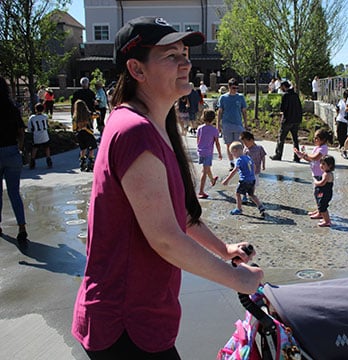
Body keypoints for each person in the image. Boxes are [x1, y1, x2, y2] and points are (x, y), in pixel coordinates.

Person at [72, 17, 263, 359]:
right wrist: (239, 280)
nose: (186, 62)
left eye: (185, 52)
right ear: (137, 69)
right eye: (171, 55)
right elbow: (164, 237)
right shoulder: (135, 131)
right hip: (126, 323)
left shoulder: (155, 125)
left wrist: (224, 249)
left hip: (140, 318)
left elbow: (181, 217)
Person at [0, 76, 28, 244]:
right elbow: (21, 132)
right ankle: (22, 226)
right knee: (14, 192)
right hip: (11, 151)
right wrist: (19, 147)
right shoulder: (12, 108)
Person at [221, 141, 266, 218]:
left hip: (244, 180)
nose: (233, 155)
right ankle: (260, 206)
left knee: (237, 193)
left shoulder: (239, 160)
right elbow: (254, 166)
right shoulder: (248, 157)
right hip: (252, 179)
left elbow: (234, 171)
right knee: (251, 194)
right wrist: (252, 174)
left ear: (235, 151)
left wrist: (227, 180)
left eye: (232, 153)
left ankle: (239, 209)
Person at [294, 128, 331, 218]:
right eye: (314, 138)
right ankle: (319, 210)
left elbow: (315, 158)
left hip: (320, 175)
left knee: (320, 195)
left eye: (316, 138)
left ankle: (321, 212)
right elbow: (310, 159)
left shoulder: (323, 148)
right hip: (315, 174)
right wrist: (302, 156)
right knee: (316, 193)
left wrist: (305, 154)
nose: (314, 140)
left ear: (323, 140)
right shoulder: (316, 148)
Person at [217, 78, 248, 171]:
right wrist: (218, 125)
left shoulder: (240, 97)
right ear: (229, 87)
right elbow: (220, 111)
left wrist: (246, 123)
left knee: (239, 145)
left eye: (237, 88)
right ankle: (232, 163)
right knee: (229, 145)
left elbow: (244, 111)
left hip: (238, 124)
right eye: (233, 88)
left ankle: (240, 162)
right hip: (227, 124)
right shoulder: (223, 98)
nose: (235, 90)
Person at [270, 81, 303, 162]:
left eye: (281, 87)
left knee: (281, 138)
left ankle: (278, 155)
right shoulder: (295, 95)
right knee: (295, 139)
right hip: (296, 120)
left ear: (284, 86)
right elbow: (300, 107)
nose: (281, 89)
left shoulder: (285, 96)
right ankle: (297, 156)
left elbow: (283, 109)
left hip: (287, 120)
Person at [196, 109, 222, 199]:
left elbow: (198, 140)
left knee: (207, 168)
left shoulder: (200, 128)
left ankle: (212, 180)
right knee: (204, 171)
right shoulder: (214, 130)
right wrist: (219, 153)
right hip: (208, 153)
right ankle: (201, 191)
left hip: (200, 151)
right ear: (213, 118)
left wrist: (199, 148)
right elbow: (217, 143)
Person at [240, 131, 266, 203]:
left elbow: (263, 156)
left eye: (246, 143)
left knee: (253, 184)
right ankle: (244, 195)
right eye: (244, 143)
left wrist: (263, 165)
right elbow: (242, 158)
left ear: (251, 140)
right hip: (247, 171)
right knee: (245, 183)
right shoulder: (245, 149)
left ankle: (251, 195)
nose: (245, 145)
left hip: (256, 170)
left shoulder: (259, 148)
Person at [73, 99, 98, 172]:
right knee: (91, 148)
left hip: (80, 134)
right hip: (88, 133)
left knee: (83, 148)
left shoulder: (75, 117)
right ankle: (91, 162)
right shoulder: (88, 114)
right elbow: (96, 115)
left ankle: (82, 162)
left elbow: (74, 128)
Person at [311, 155, 335, 227]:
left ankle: (327, 221)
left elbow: (322, 183)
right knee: (320, 204)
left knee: (323, 206)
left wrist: (315, 182)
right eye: (321, 163)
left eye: (323, 164)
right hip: (323, 192)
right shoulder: (326, 173)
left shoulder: (327, 174)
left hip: (325, 193)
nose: (321, 165)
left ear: (330, 165)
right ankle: (320, 214)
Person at [27, 103, 52, 169]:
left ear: (35, 109)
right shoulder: (45, 116)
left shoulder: (32, 118)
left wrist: (29, 131)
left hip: (36, 135)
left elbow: (29, 128)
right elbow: (47, 125)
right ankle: (48, 159)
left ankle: (32, 161)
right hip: (44, 134)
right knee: (47, 147)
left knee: (35, 148)